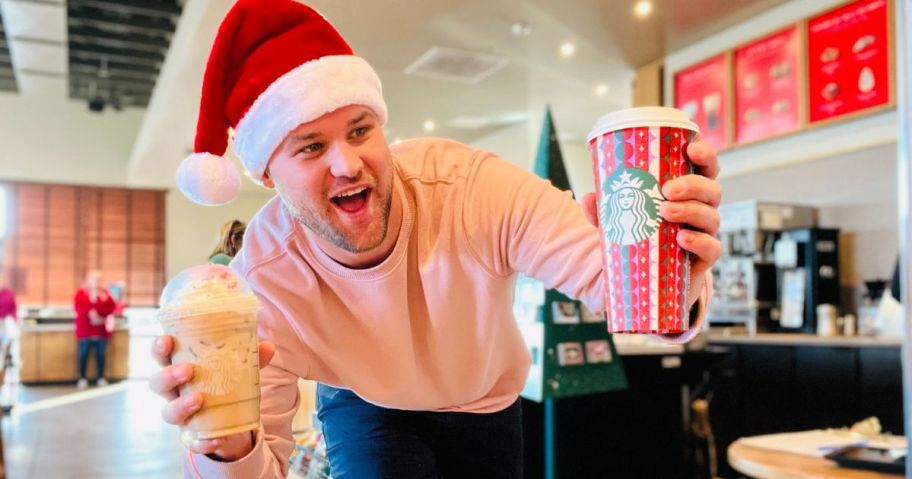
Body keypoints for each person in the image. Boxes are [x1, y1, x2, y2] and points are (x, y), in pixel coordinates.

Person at [149, 1, 722, 477]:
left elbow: (621, 289)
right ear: (269, 176)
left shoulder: (473, 188)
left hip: (487, 399)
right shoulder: (263, 282)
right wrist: (224, 443)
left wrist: (679, 263)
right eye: (311, 146)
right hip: (365, 403)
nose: (348, 163)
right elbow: (261, 466)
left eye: (359, 130)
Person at [74, 270, 116, 389]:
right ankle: (82, 378)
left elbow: (111, 307)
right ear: (88, 280)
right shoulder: (81, 293)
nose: (96, 282)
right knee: (83, 355)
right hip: (85, 331)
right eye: (94, 279)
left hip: (100, 332)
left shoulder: (105, 294)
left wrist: (99, 315)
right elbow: (79, 308)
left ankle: (101, 377)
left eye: (99, 279)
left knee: (101, 355)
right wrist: (90, 313)